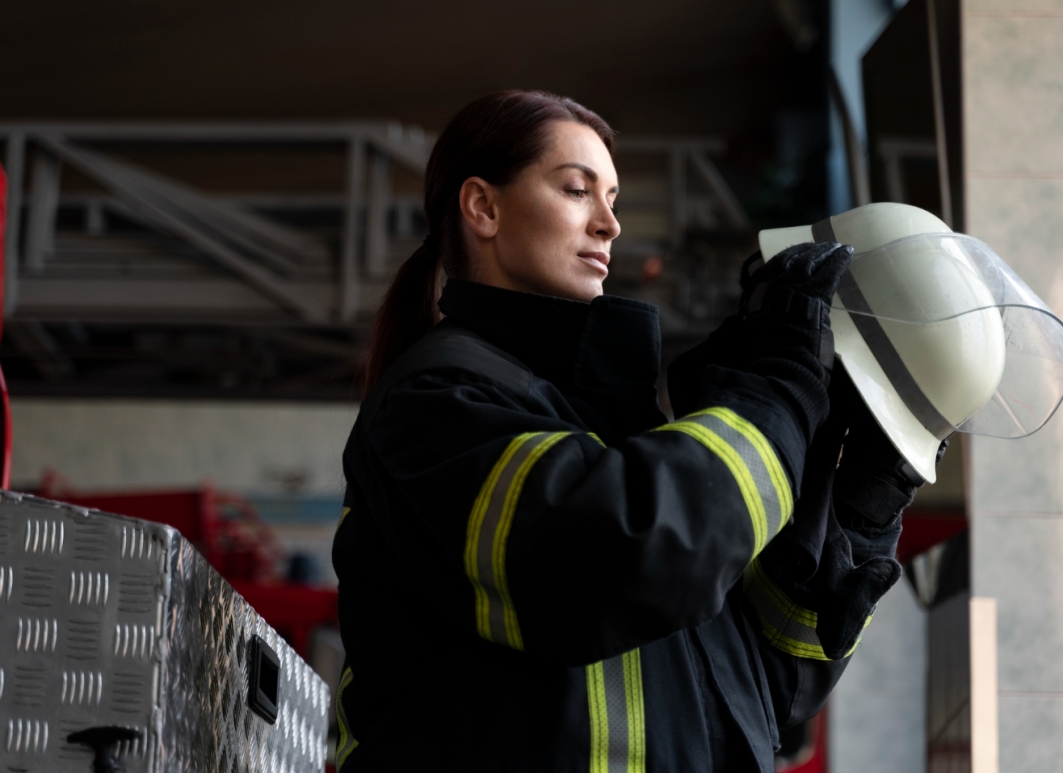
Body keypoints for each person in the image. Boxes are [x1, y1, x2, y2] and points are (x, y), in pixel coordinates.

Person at [332, 89, 936, 772]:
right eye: (575, 190)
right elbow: (627, 555)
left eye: (612, 198)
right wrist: (776, 388)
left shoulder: (613, 431)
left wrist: (856, 507)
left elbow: (768, 692)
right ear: (483, 207)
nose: (608, 224)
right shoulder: (438, 400)